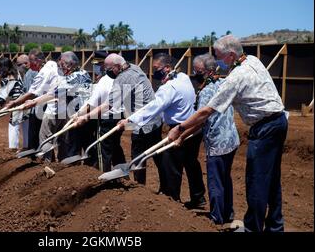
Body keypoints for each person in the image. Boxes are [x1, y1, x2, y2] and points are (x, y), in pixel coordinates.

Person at [168, 35, 288, 232]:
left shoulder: (236, 77)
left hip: (264, 128)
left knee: (256, 181)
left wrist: (179, 128)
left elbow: (206, 111)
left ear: (231, 55)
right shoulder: (253, 61)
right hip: (279, 121)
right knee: (272, 179)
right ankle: (275, 227)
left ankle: (252, 229)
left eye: (219, 56)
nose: (217, 62)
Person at [116, 53, 206, 209]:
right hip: (194, 128)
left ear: (167, 68)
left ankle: (171, 200)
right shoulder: (183, 77)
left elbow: (153, 107)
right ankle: (198, 198)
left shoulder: (168, 88)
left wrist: (130, 120)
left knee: (171, 165)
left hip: (178, 128)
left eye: (156, 68)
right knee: (191, 164)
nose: (155, 71)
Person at [74, 54, 162, 184]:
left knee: (137, 157)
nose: (107, 72)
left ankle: (139, 187)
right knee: (158, 156)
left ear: (117, 66)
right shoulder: (135, 68)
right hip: (155, 119)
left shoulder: (121, 78)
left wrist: (85, 117)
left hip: (142, 123)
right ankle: (168, 190)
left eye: (109, 69)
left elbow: (107, 105)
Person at [180, 53, 240, 224]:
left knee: (215, 181)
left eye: (197, 70)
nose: (194, 73)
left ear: (206, 71)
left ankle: (216, 217)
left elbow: (200, 120)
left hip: (217, 142)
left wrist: (181, 135)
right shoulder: (223, 84)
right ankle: (227, 213)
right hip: (231, 139)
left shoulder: (206, 91)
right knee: (225, 178)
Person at [24, 51, 92, 163]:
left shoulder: (70, 79)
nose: (60, 68)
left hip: (75, 116)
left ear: (69, 65)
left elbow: (52, 95)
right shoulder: (85, 73)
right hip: (87, 115)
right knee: (80, 146)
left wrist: (33, 102)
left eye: (62, 65)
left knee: (70, 145)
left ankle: (60, 167)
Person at [73, 51, 115, 171]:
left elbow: (94, 102)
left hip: (101, 115)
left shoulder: (105, 80)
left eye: (98, 64)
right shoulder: (100, 79)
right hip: (97, 113)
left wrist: (79, 114)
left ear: (105, 65)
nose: (96, 67)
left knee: (102, 147)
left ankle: (101, 170)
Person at [16, 54, 37, 151]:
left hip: (35, 107)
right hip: (32, 106)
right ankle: (28, 147)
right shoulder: (28, 74)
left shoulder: (31, 74)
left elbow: (31, 93)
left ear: (27, 64)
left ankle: (30, 149)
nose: (17, 67)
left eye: (19, 64)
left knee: (33, 130)